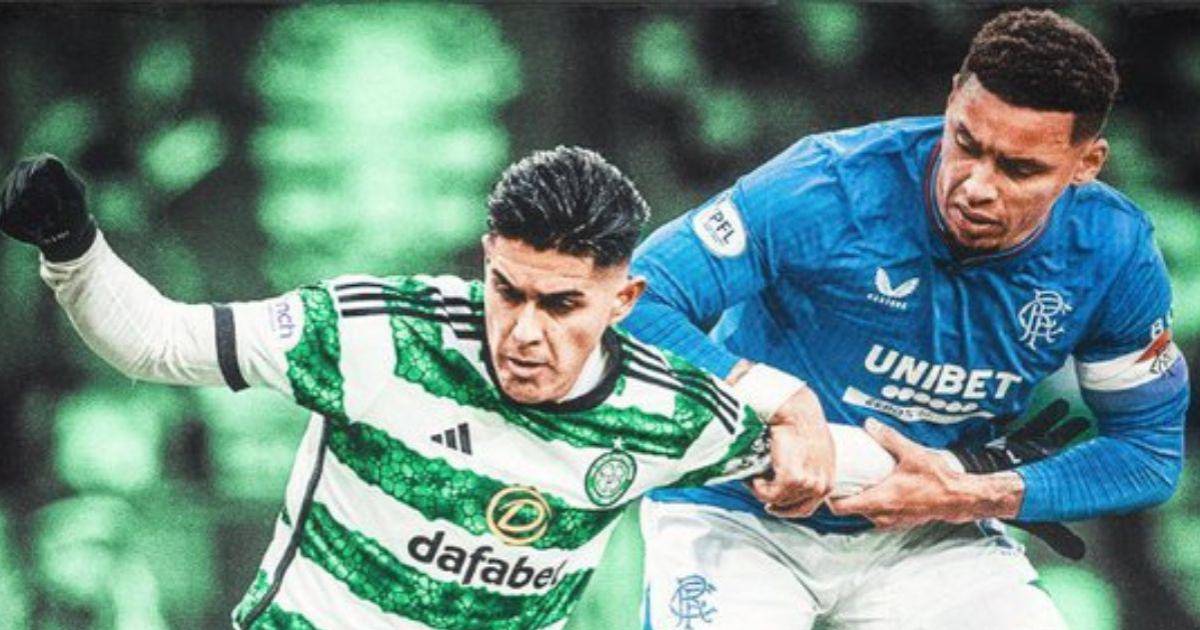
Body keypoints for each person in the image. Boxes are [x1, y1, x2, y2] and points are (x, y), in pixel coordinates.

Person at [0, 147, 903, 629]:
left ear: (623, 300)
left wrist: (973, 481)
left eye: (562, 304)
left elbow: (848, 460)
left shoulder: (668, 411)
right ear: (486, 260)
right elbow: (158, 342)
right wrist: (73, 250)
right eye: (508, 291)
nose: (525, 330)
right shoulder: (376, 336)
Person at [625, 8, 1188, 629]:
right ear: (951, 101)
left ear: (1087, 163)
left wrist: (974, 493)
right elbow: (635, 299)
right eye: (965, 144)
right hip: (740, 509)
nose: (975, 186)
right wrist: (775, 398)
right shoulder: (827, 187)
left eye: (1019, 169)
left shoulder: (1113, 252)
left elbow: (1146, 453)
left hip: (929, 528)